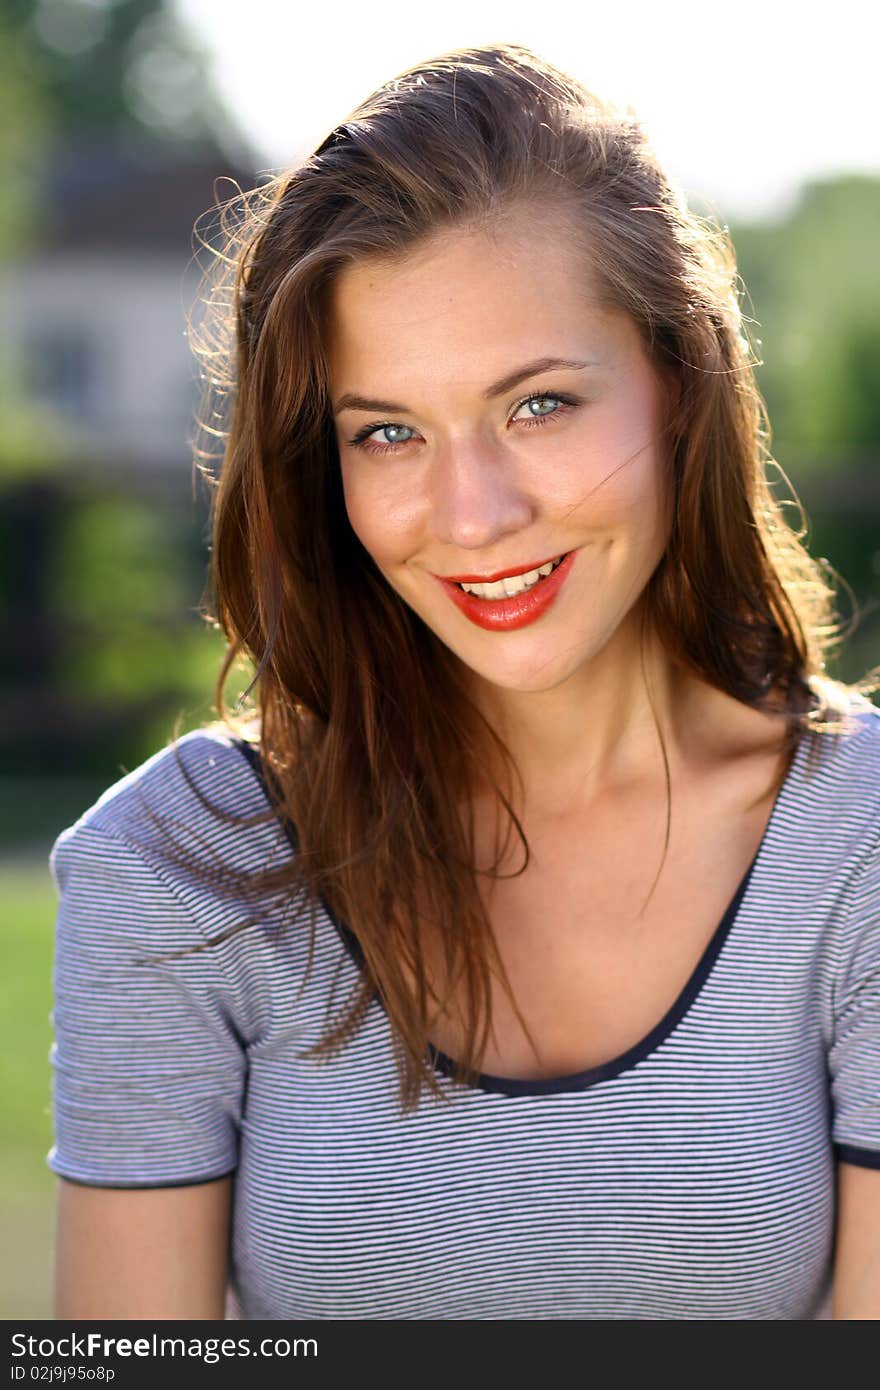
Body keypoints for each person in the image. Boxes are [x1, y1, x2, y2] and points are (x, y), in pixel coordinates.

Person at [48, 43, 880, 1321]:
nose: (471, 513)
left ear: (681, 383)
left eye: (538, 405)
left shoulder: (860, 838)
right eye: (386, 431)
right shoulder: (171, 867)